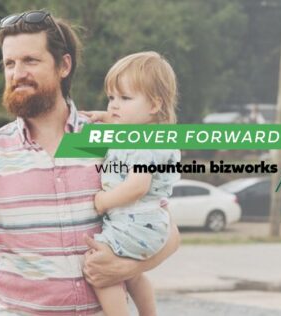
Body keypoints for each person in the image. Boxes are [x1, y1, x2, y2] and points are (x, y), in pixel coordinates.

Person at [0, 10, 180, 315]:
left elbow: (168, 230)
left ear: (64, 65)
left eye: (30, 60)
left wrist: (126, 267)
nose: (17, 73)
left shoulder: (106, 140)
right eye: (9, 63)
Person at [88, 51, 181, 316]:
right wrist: (103, 116)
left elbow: (138, 185)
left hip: (136, 222)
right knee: (133, 276)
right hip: (146, 222)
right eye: (111, 98)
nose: (114, 106)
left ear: (154, 105)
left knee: (100, 268)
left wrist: (103, 201)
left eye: (125, 98)